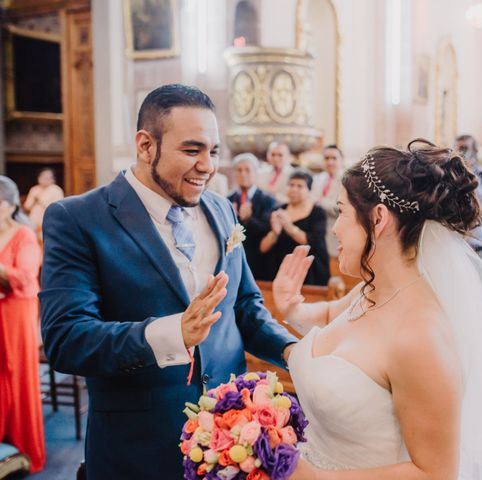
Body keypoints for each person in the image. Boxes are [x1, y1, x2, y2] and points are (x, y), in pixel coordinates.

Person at [39, 84, 297, 480]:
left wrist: (294, 353)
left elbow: (244, 307)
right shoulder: (78, 219)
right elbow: (66, 340)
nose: (208, 166)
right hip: (137, 449)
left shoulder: (220, 208)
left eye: (214, 151)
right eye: (192, 150)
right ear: (145, 146)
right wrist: (173, 333)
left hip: (230, 443)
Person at [274, 139, 482, 479]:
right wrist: (294, 309)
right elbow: (335, 318)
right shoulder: (372, 289)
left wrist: (311, 476)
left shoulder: (421, 338)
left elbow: (434, 473)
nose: (335, 227)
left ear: (377, 219)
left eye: (341, 212)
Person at [0, 176, 45, 473]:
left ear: (8, 205)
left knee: (15, 372)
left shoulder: (24, 235)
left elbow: (27, 279)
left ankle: (23, 449)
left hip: (17, 312)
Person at [260, 170, 329, 286]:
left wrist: (289, 226)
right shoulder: (278, 210)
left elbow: (314, 242)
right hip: (280, 270)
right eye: (291, 185)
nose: (294, 189)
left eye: (300, 186)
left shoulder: (317, 212)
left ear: (309, 190)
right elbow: (262, 248)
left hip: (310, 272)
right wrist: (274, 233)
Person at [228, 153, 277, 280]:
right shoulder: (228, 200)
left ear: (256, 173)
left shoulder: (268, 200)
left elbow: (268, 228)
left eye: (247, 170)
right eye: (239, 170)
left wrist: (249, 219)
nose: (243, 174)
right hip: (234, 262)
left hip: (260, 262)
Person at [455, 135, 482, 271]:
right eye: (457, 148)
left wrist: (471, 175)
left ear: (475, 151)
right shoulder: (452, 174)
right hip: (456, 243)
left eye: (464, 148)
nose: (460, 153)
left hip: (478, 242)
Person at [311, 144, 344, 257]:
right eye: (326, 158)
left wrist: (320, 202)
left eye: (334, 158)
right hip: (318, 231)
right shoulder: (317, 179)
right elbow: (311, 200)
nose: (330, 162)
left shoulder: (346, 181)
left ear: (341, 161)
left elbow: (340, 207)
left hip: (336, 230)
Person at [23, 168, 64, 236]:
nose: (45, 179)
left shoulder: (56, 190)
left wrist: (40, 200)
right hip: (33, 224)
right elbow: (27, 207)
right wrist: (34, 200)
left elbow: (57, 208)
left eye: (48, 177)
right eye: (43, 177)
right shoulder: (34, 189)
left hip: (49, 224)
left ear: (53, 179)